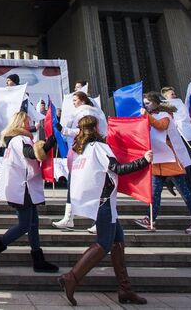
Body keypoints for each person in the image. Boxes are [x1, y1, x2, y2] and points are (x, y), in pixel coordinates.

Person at [58, 115, 152, 306]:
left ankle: (125, 289)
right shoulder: (99, 147)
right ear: (96, 128)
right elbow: (116, 168)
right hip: (104, 202)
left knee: (118, 242)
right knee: (104, 244)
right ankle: (72, 277)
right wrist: (144, 160)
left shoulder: (81, 150)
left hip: (100, 201)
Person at [0, 111, 58, 273]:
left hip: (24, 185)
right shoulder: (19, 139)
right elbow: (30, 154)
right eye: (27, 121)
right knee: (25, 225)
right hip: (22, 186)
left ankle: (38, 259)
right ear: (20, 123)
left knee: (33, 223)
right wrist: (49, 143)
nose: (30, 123)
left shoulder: (18, 139)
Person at [134, 92, 191, 234]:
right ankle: (150, 219)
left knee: (185, 193)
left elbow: (161, 126)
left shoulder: (164, 115)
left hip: (171, 160)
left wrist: (146, 116)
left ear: (156, 103)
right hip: (158, 161)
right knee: (154, 193)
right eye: (145, 103)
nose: (146, 105)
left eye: (148, 103)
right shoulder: (150, 116)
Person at [53, 91, 105, 230]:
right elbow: (80, 131)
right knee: (72, 182)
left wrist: (64, 130)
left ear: (82, 100)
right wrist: (64, 130)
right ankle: (68, 217)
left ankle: (98, 221)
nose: (74, 103)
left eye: (75, 100)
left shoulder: (87, 112)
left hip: (88, 151)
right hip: (79, 150)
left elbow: (86, 131)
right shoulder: (82, 112)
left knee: (93, 184)